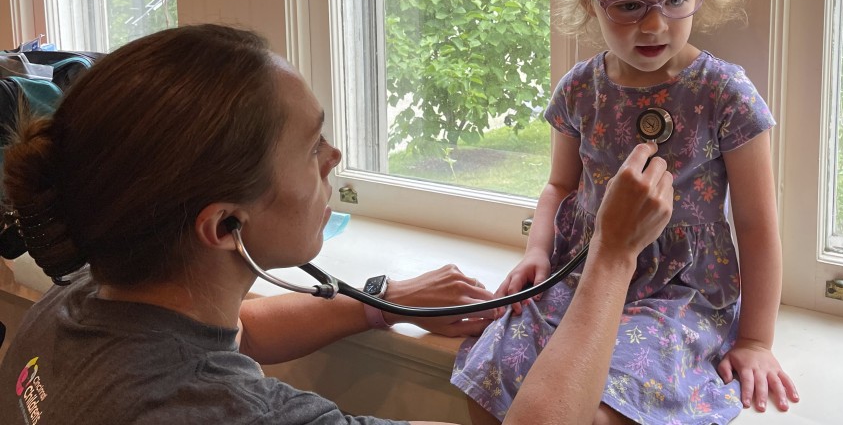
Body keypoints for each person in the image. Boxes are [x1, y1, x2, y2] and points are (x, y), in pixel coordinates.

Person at [0, 23, 674, 425]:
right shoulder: (231, 414)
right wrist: (612, 257)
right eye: (310, 147)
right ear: (224, 225)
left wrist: (378, 306)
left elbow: (232, 330)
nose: (334, 158)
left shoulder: (73, 303)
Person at [452, 0, 800, 425]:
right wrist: (537, 251)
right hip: (582, 275)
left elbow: (759, 227)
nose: (655, 25)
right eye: (630, 6)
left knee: (606, 405)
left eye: (675, 0)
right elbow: (558, 187)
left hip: (677, 295)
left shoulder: (723, 94)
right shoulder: (580, 90)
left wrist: (756, 340)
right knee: (491, 373)